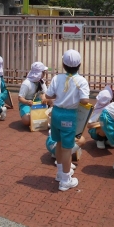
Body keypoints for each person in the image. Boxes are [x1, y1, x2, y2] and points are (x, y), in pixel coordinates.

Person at [45, 50, 90, 191]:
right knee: (67, 148)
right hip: (69, 115)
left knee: (59, 143)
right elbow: (84, 100)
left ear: (63, 64)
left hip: (56, 113)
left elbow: (48, 95)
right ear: (80, 64)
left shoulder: (57, 78)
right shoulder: (81, 81)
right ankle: (65, 180)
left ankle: (60, 173)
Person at [87, 85, 114, 149]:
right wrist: (103, 123)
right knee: (104, 126)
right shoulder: (98, 111)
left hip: (109, 130)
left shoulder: (112, 108)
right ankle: (100, 140)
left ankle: (109, 140)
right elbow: (89, 125)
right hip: (97, 131)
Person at [18, 61, 48, 127]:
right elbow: (20, 98)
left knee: (52, 101)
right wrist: (27, 101)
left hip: (37, 102)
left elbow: (45, 93)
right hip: (26, 104)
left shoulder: (41, 81)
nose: (45, 73)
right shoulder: (26, 83)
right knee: (27, 121)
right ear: (40, 73)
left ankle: (37, 118)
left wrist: (44, 98)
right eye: (44, 72)